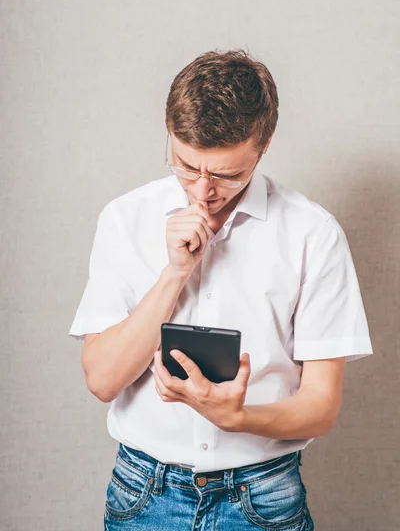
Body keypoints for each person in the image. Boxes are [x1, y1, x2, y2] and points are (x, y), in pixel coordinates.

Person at [69, 49, 373, 530]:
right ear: (170, 135)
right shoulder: (125, 219)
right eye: (187, 166)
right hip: (145, 497)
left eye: (228, 174)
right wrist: (174, 274)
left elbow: (320, 407)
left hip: (263, 498)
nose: (203, 191)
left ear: (265, 143)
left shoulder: (313, 233)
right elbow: (103, 380)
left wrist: (238, 417)